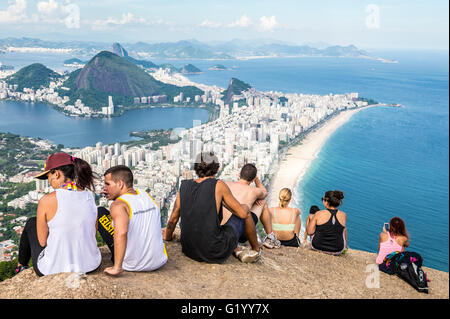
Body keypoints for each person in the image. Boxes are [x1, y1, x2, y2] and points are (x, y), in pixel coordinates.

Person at [163, 152, 261, 263]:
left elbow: (173, 219)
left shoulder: (184, 186)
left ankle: (236, 249)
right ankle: (256, 249)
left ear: (196, 168)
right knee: (245, 210)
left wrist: (168, 237)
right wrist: (244, 206)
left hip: (188, 249)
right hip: (214, 251)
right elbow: (242, 214)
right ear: (217, 169)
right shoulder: (218, 185)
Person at [15, 152, 101, 276]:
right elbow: (93, 231)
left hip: (55, 270)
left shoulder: (46, 200)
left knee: (31, 223)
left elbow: (43, 242)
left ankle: (21, 266)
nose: (49, 181)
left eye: (48, 176)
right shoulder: (89, 196)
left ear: (56, 173)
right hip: (90, 264)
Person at [98, 165, 167, 276]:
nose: (104, 188)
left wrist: (117, 268)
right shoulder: (146, 195)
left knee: (100, 212)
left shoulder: (118, 205)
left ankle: (115, 262)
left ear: (120, 184)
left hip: (133, 265)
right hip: (159, 261)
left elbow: (121, 233)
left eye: (107, 184)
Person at [220, 163, 281, 249]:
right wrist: (257, 180)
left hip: (221, 229)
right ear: (252, 180)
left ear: (239, 174)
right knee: (262, 201)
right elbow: (265, 193)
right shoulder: (254, 191)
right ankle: (270, 238)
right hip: (239, 234)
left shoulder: (225, 184)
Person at [307, 190, 348, 255]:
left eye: (322, 199)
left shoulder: (318, 213)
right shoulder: (344, 215)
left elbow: (309, 232)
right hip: (338, 250)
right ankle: (345, 247)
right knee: (344, 229)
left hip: (317, 246)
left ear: (326, 201)